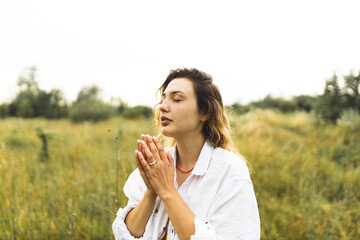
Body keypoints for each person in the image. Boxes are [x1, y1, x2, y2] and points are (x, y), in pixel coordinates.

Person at [112, 68, 260, 240]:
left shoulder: (230, 171)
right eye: (163, 98)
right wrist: (151, 192)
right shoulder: (157, 164)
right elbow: (123, 236)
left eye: (177, 99)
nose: (163, 107)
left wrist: (166, 191)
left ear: (205, 112)